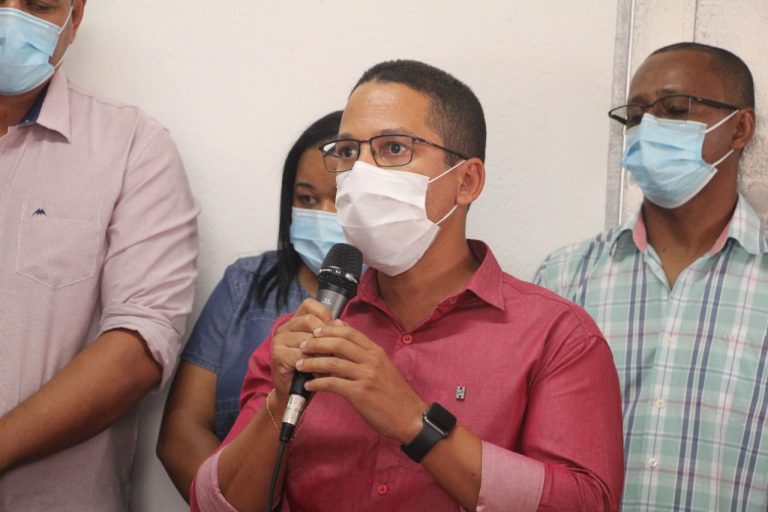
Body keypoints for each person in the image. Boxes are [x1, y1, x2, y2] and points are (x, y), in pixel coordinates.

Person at [190, 59, 624, 512]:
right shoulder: (304, 334)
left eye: (394, 148)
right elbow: (212, 504)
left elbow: (585, 503)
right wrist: (281, 402)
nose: (359, 173)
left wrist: (415, 423)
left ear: (467, 181)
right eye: (348, 152)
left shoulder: (558, 337)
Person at [535, 42, 763, 511]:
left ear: (739, 128)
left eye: (675, 108)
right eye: (637, 116)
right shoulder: (564, 277)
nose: (648, 128)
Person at [0, 1, 198, 510]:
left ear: (75, 15)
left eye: (37, 4)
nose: (9, 19)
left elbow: (139, 346)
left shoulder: (134, 148)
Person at [157, 110, 344, 501]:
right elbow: (181, 430)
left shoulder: (398, 303)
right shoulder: (246, 284)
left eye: (342, 200)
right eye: (307, 199)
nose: (324, 215)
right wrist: (228, 501)